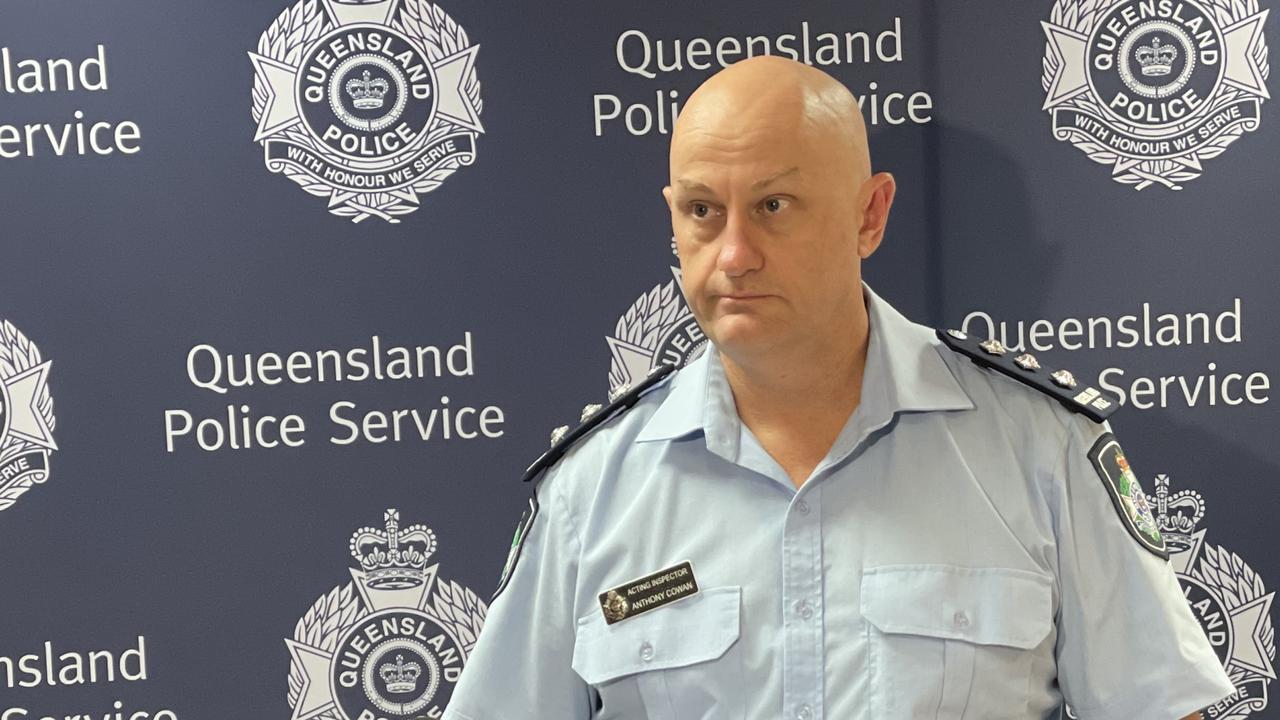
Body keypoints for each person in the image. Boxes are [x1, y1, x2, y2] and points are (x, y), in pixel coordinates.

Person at [442, 56, 1234, 720]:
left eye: (773, 206)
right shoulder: (592, 489)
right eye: (702, 211)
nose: (734, 253)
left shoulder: (1041, 449)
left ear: (869, 215)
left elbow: (1160, 705)